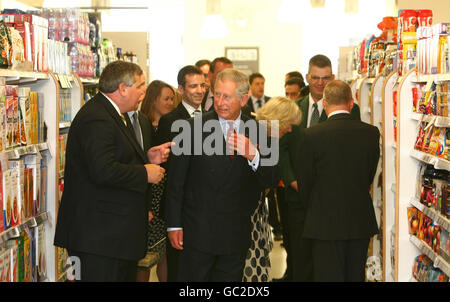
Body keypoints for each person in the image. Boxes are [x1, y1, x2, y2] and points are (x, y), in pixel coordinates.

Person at [53, 61, 173, 282]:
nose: (144, 92)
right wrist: (144, 173)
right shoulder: (97, 117)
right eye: (140, 85)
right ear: (122, 89)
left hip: (112, 238)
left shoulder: (116, 114)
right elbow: (102, 170)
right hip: (98, 240)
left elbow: (112, 159)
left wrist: (147, 158)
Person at [165, 68, 278, 282]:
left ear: (244, 99)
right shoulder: (190, 128)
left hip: (234, 234)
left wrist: (253, 154)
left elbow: (271, 179)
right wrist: (174, 224)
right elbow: (176, 182)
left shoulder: (259, 130)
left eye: (227, 96)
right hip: (196, 232)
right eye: (216, 94)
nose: (220, 102)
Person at [278, 54, 361, 282]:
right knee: (300, 260)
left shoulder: (348, 110)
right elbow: (281, 149)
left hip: (332, 203)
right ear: (307, 77)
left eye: (325, 78)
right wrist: (292, 180)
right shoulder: (292, 108)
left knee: (329, 265)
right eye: (315, 77)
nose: (320, 83)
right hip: (298, 199)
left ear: (332, 77)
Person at [295, 80, 380, 282]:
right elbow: (369, 174)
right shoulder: (370, 133)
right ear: (351, 103)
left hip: (324, 221)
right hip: (358, 219)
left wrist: (314, 207)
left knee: (327, 275)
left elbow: (305, 181)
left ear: (324, 103)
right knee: (355, 276)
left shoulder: (311, 135)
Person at [242, 96, 301, 282]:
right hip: (244, 212)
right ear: (279, 120)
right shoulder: (253, 133)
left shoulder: (267, 137)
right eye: (289, 124)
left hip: (257, 210)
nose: (290, 129)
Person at [156, 65, 206, 281]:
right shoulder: (170, 121)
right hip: (180, 207)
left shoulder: (212, 119)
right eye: (193, 86)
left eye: (203, 85)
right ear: (181, 89)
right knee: (178, 268)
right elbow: (166, 167)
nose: (199, 90)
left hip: (205, 207)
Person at [136, 80, 176, 282]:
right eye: (166, 98)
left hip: (166, 193)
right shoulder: (141, 126)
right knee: (145, 255)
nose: (170, 102)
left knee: (165, 253)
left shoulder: (174, 124)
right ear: (153, 100)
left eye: (172, 98)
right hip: (150, 192)